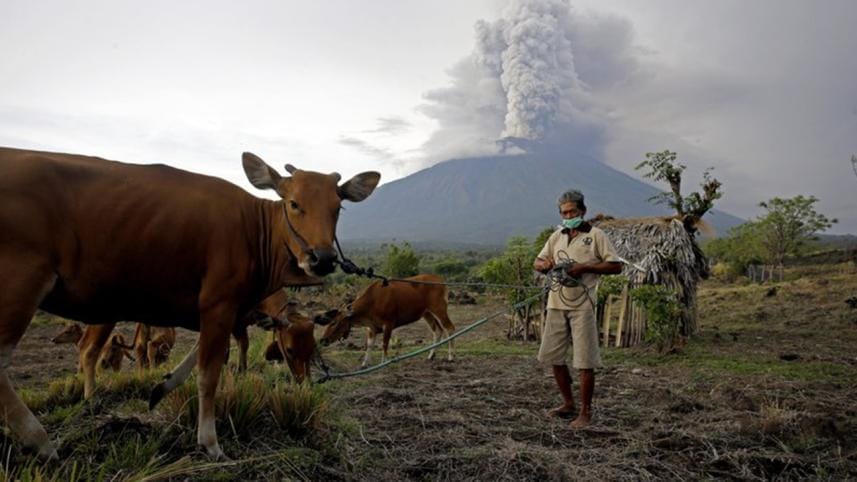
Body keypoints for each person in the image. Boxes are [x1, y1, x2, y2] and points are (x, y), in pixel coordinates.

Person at [533, 190, 622, 428]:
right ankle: (568, 403)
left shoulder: (596, 236)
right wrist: (545, 265)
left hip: (582, 305)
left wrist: (584, 268)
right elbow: (538, 261)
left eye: (572, 211)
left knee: (584, 360)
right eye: (564, 212)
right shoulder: (556, 237)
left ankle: (585, 412)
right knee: (554, 357)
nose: (569, 215)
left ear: (582, 211)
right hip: (555, 304)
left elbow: (615, 266)